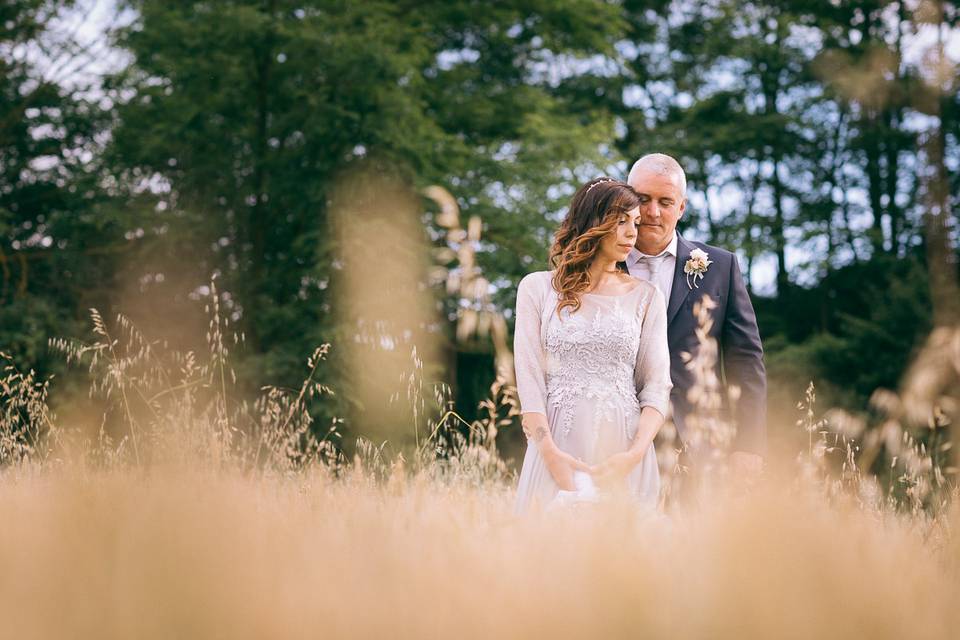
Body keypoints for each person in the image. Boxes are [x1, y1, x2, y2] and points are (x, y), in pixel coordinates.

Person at [512, 178, 673, 514]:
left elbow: (656, 386)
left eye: (636, 223)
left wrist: (635, 454)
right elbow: (528, 380)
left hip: (625, 450)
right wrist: (550, 454)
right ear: (592, 222)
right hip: (555, 446)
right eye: (621, 222)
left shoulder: (646, 297)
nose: (632, 234)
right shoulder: (537, 288)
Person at [625, 153, 767, 476]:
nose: (652, 212)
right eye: (642, 199)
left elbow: (745, 359)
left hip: (699, 446)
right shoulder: (600, 266)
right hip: (615, 437)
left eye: (665, 201)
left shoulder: (720, 268)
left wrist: (749, 444)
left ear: (682, 208)